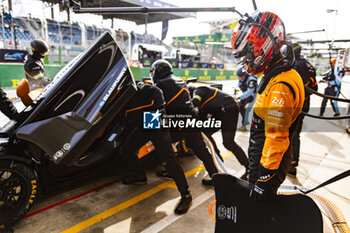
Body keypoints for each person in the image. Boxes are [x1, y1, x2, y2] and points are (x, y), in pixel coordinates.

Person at [231, 11, 305, 202]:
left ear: (263, 46)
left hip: (269, 164)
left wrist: (264, 179)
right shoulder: (276, 72)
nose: (247, 62)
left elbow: (276, 138)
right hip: (263, 158)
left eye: (249, 53)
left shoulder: (281, 84)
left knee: (259, 212)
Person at [121, 81, 192, 215]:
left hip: (153, 119)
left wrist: (159, 111)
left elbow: (156, 91)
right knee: (126, 150)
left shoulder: (135, 86)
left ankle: (186, 195)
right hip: (142, 124)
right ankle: (140, 176)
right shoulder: (114, 99)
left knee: (168, 160)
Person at [149, 59, 220, 186]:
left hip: (178, 123)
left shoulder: (160, 84)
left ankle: (172, 171)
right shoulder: (180, 80)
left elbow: (156, 107)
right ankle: (216, 178)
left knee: (162, 145)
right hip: (192, 120)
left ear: (158, 71)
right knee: (202, 151)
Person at [189, 85, 250, 180]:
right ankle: (218, 163)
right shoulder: (202, 106)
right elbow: (201, 121)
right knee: (206, 133)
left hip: (229, 108)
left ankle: (248, 167)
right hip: (222, 112)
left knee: (228, 143)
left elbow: (195, 101)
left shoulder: (198, 90)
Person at [289, 43, 318, 176]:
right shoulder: (308, 65)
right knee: (296, 133)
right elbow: (315, 89)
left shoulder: (294, 65)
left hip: (296, 104)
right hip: (306, 102)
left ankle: (289, 163)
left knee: (290, 134)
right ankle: (293, 162)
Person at [236, 67, 258, 131]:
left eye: (241, 77)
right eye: (239, 77)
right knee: (240, 107)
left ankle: (244, 125)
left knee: (246, 109)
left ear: (245, 75)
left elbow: (249, 92)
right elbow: (239, 85)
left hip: (252, 96)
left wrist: (240, 97)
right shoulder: (242, 78)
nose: (239, 78)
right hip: (245, 95)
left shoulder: (252, 80)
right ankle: (246, 120)